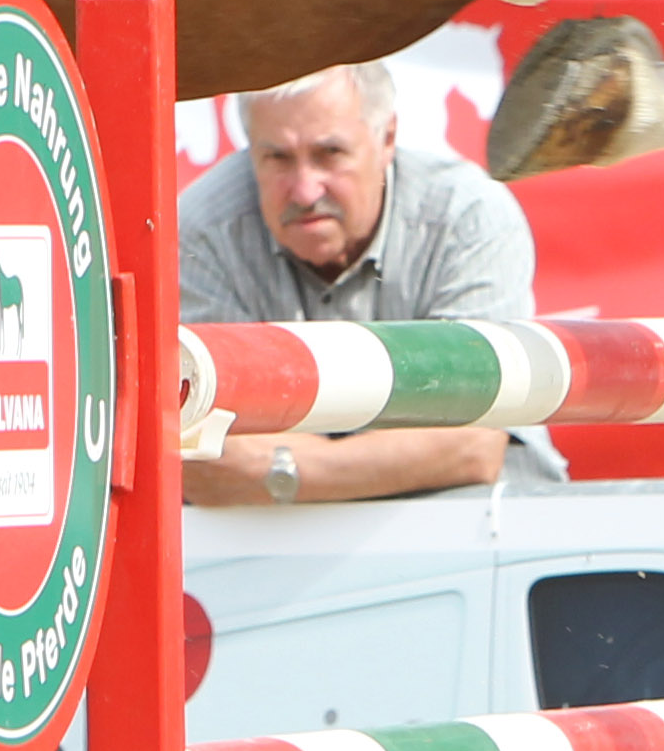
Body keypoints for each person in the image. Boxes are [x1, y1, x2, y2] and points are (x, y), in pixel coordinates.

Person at [176, 59, 561, 504]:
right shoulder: (202, 232)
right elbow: (204, 456)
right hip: (279, 544)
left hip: (482, 532)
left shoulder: (468, 216)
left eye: (329, 155)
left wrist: (280, 472)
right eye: (277, 158)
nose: (304, 190)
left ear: (387, 140)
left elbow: (472, 445)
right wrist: (394, 459)